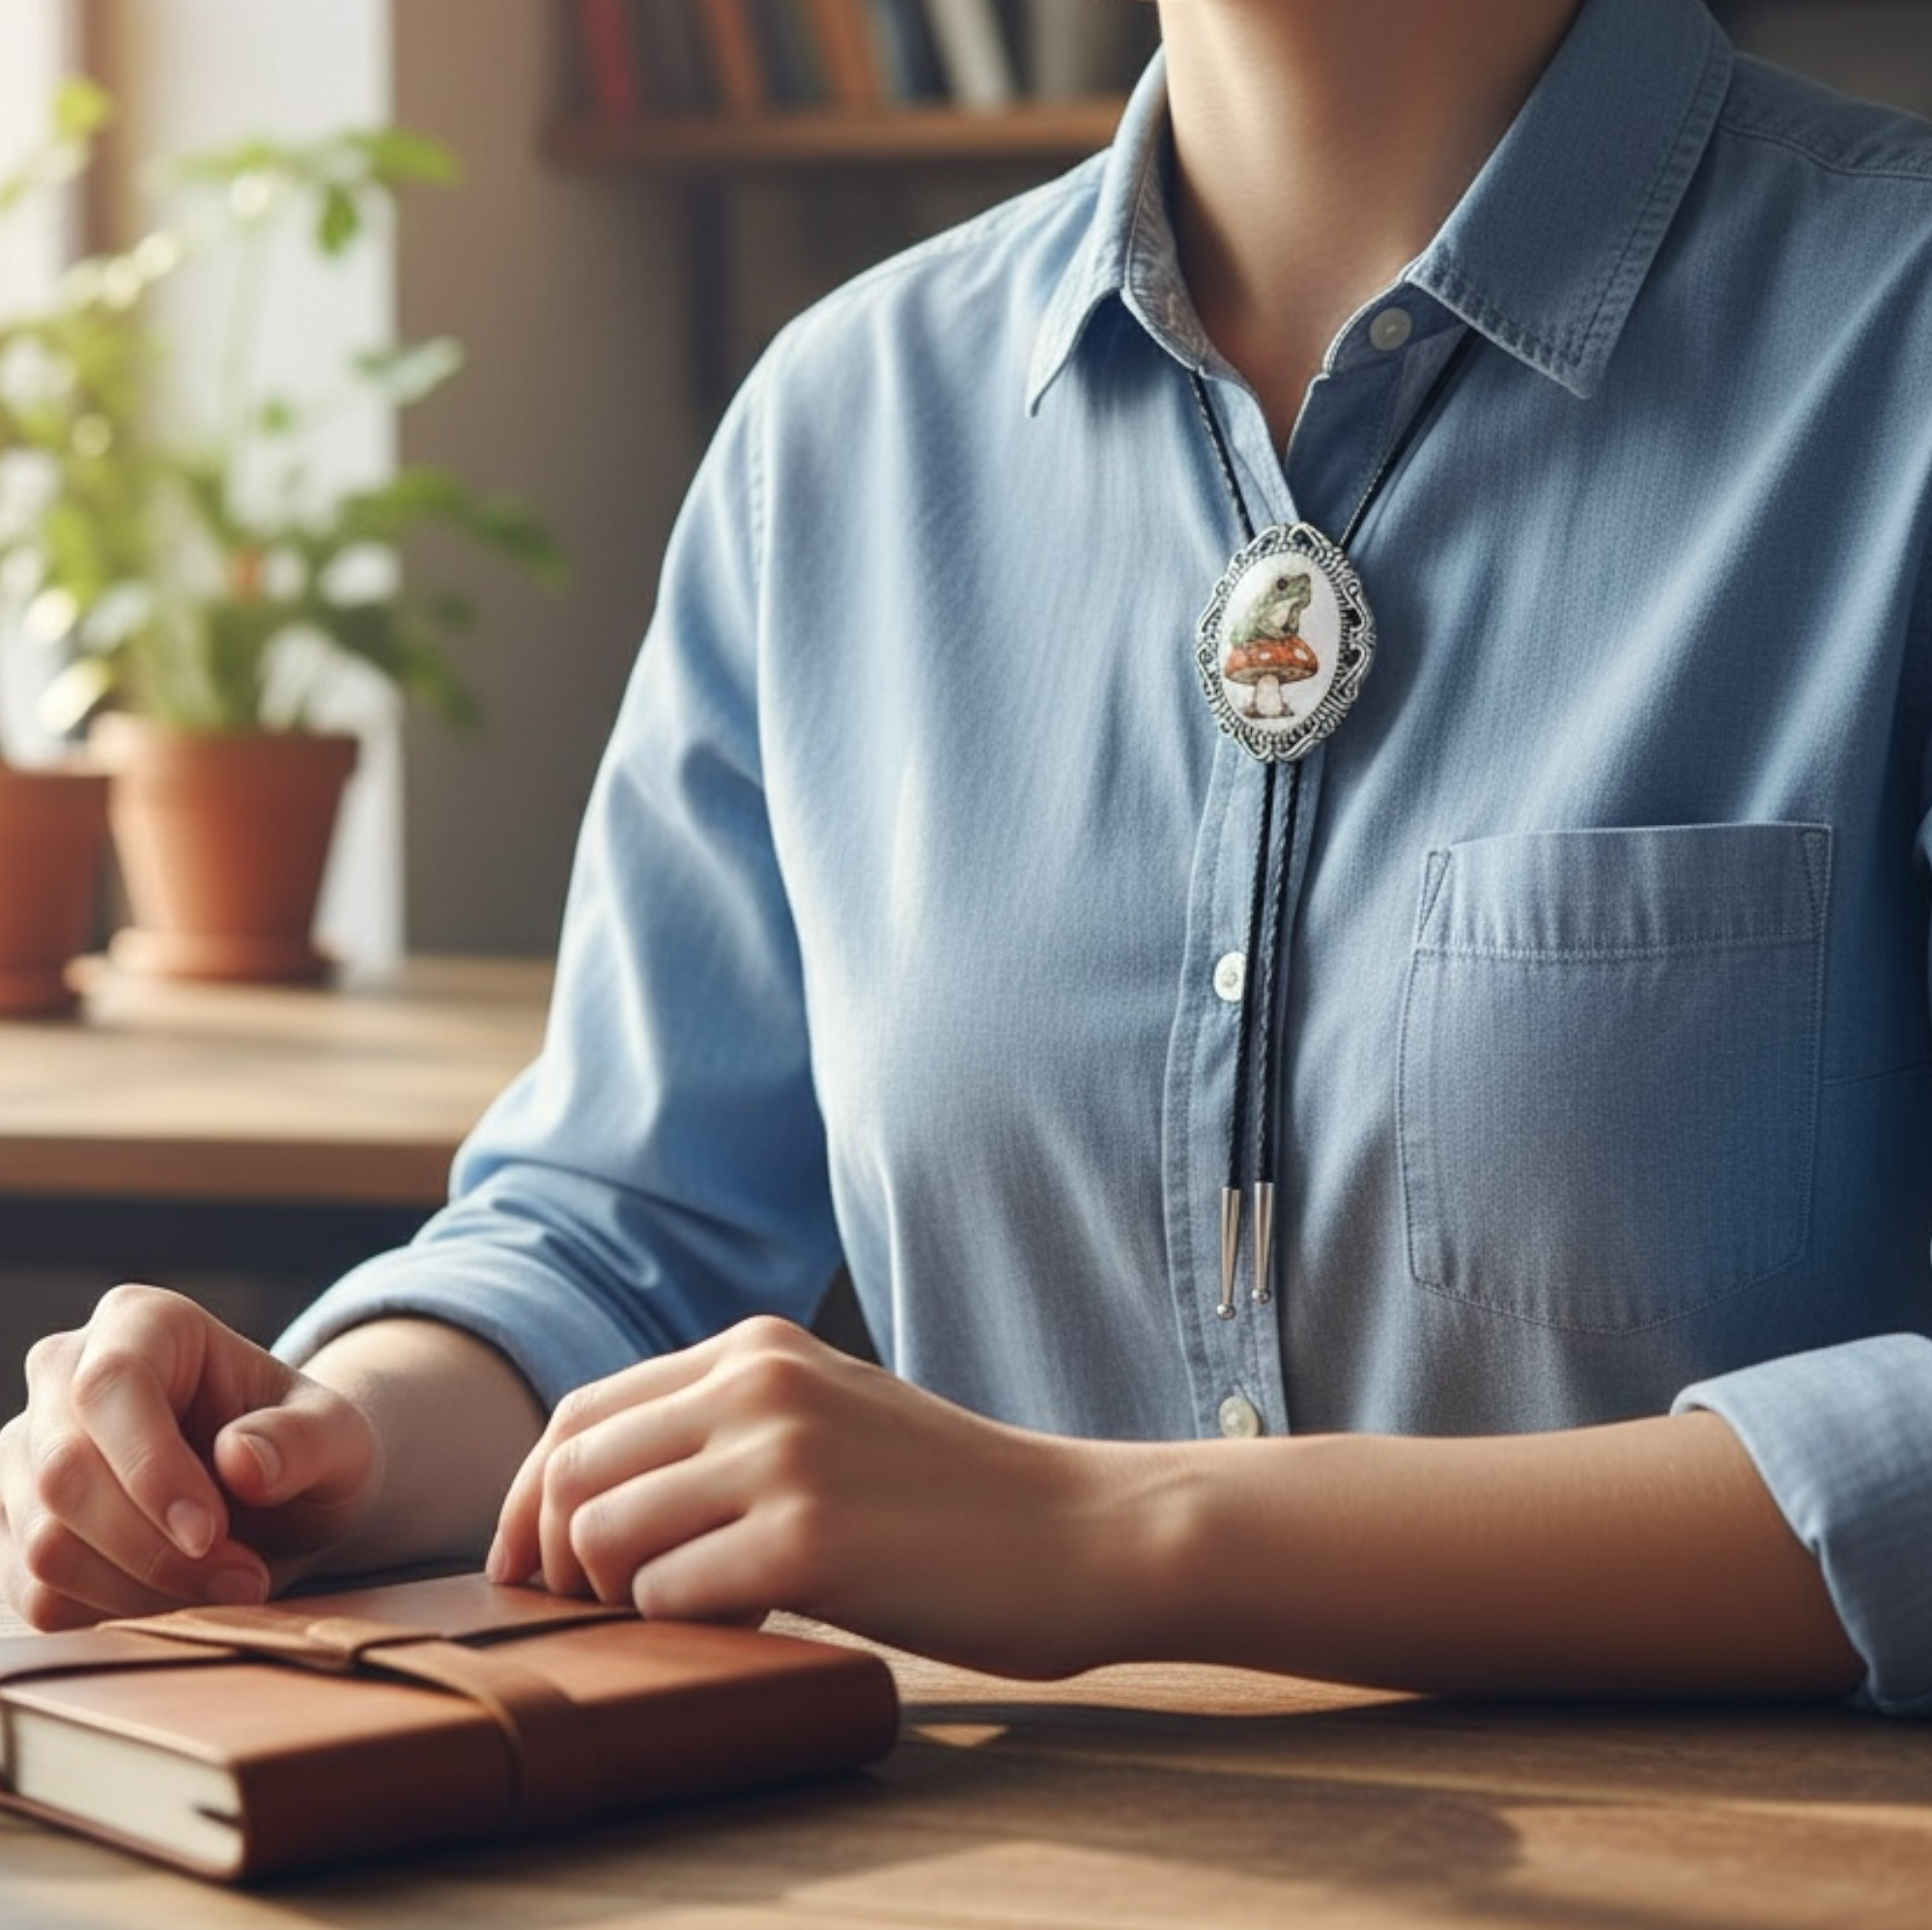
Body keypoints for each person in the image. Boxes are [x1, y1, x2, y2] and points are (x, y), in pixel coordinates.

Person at [4, 0, 1928, 1709]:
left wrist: (1120, 1533)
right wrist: (312, 1444)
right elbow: (623, 1228)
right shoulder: (835, 431)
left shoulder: (1894, 326)